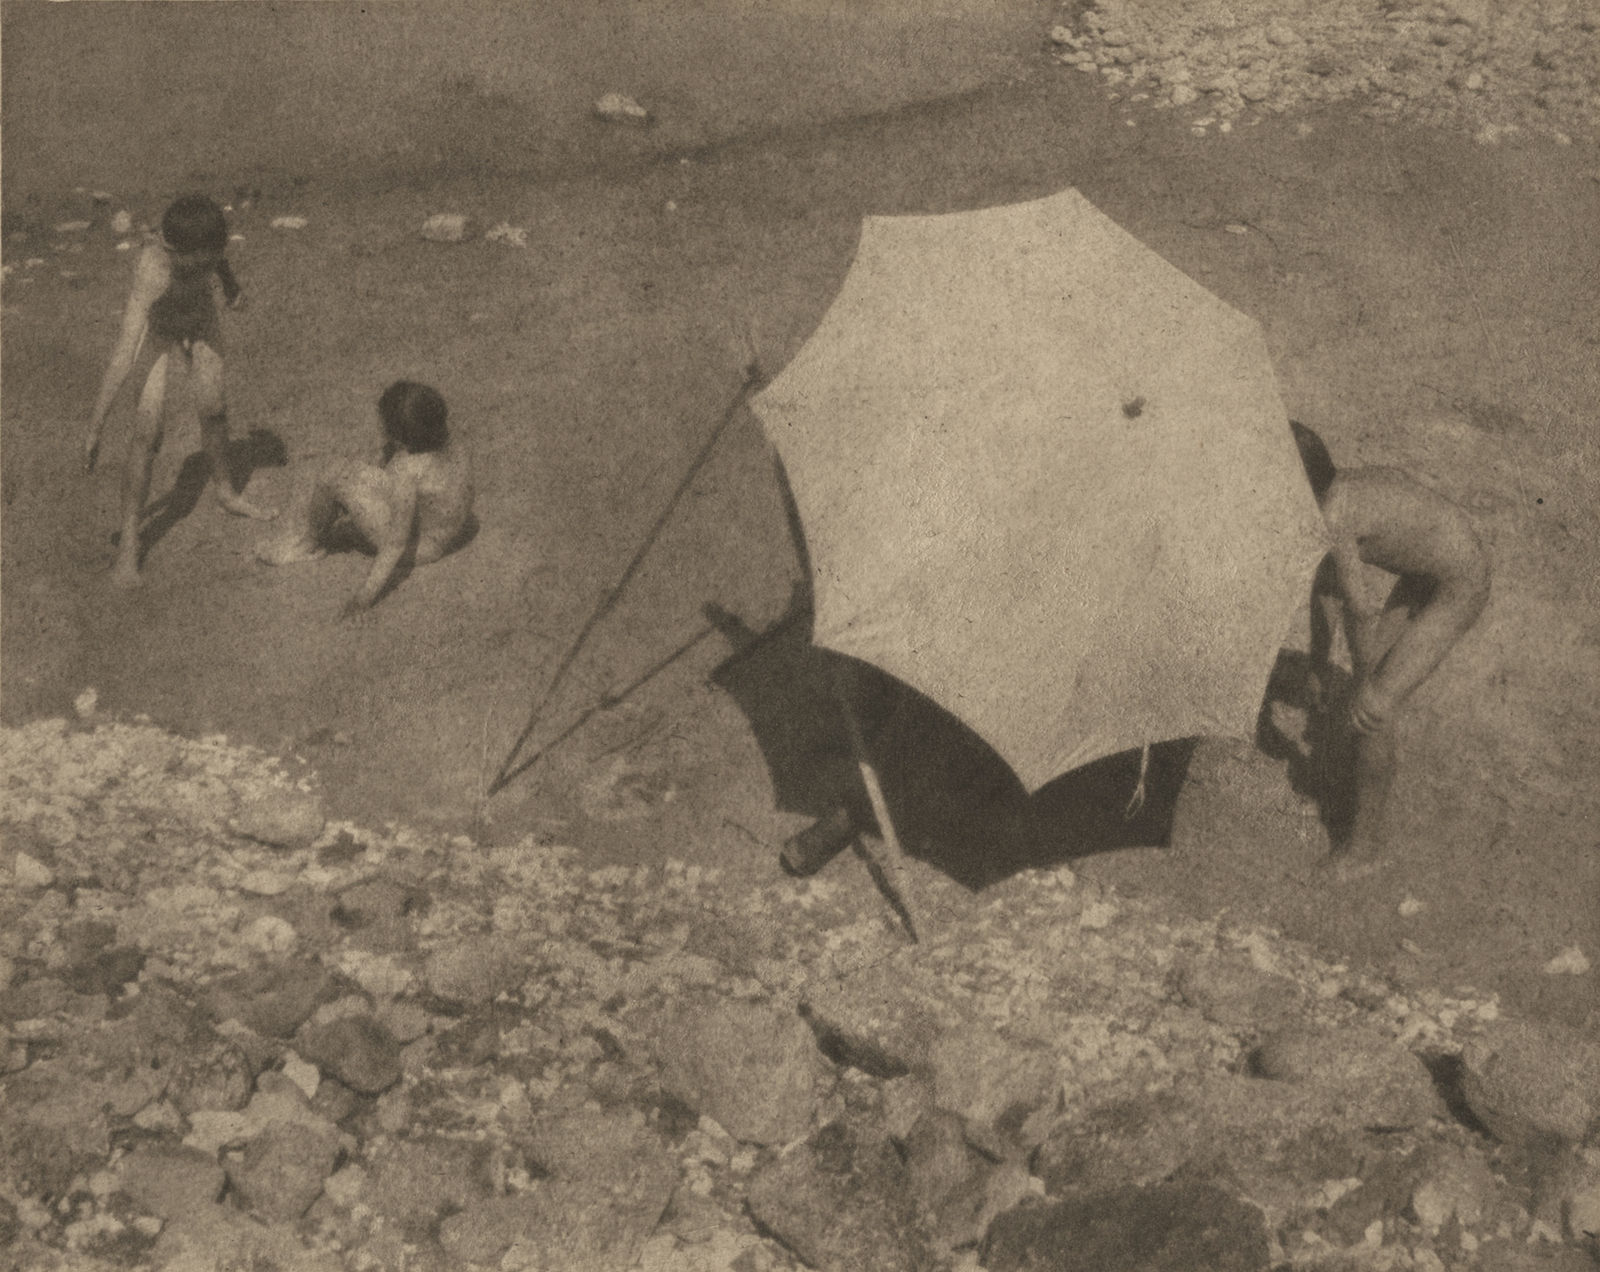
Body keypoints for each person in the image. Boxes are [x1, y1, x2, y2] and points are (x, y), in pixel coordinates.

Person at [1292, 422, 1491, 879]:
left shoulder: (1334, 516)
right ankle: (1351, 807)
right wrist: (1320, 663)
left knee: (1373, 707)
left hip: (1459, 584)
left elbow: (1360, 611)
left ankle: (1364, 850)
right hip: (1429, 571)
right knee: (1365, 694)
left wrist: (1368, 683)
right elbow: (1326, 586)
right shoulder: (1335, 492)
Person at [85, 193, 274, 586]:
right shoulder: (153, 270)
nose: (206, 264)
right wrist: (95, 426)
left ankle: (225, 491)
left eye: (211, 257)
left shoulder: (203, 246)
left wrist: (230, 286)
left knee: (214, 407)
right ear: (171, 249)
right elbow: (124, 354)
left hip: (201, 319)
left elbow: (216, 255)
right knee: (146, 433)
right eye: (199, 261)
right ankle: (129, 545)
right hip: (157, 333)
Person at [255, 380, 473, 618]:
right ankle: (335, 523)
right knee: (350, 472)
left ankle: (303, 546)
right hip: (444, 533)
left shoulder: (409, 470)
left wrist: (362, 599)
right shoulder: (454, 447)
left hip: (419, 547)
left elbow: (395, 544)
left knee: (333, 478)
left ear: (400, 437)